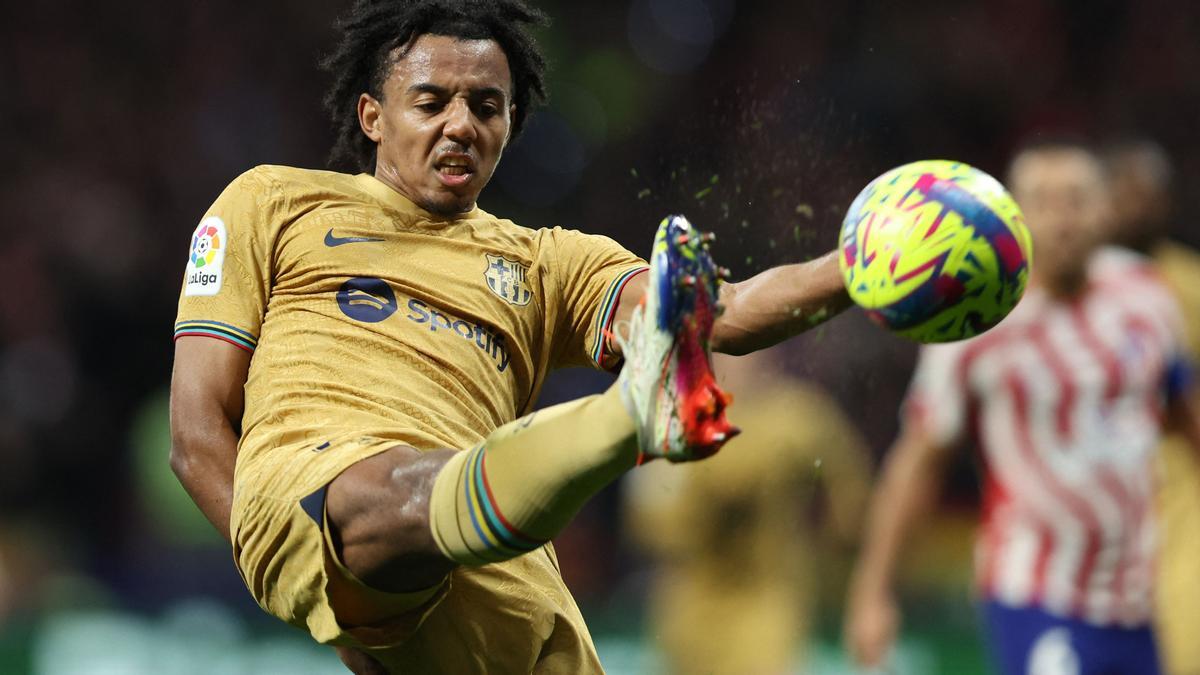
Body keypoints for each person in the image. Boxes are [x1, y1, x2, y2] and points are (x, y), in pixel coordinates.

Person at [168, 1, 849, 672]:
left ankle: (631, 408)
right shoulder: (274, 203)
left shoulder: (546, 263)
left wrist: (854, 266)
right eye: (431, 102)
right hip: (333, 494)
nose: (461, 124)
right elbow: (196, 435)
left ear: (510, 122)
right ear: (372, 116)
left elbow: (716, 314)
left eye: (486, 107)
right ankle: (628, 415)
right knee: (377, 485)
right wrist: (311, 588)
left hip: (503, 568)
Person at [844, 139, 1200, 675]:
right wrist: (873, 592)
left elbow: (1184, 415)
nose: (1063, 219)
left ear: (1105, 209)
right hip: (1035, 592)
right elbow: (920, 460)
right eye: (1045, 202)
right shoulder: (973, 321)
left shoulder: (1147, 295)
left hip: (1136, 599)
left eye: (1077, 200)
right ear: (1016, 214)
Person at [624, 350, 870, 675]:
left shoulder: (796, 416)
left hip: (767, 596)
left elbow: (851, 499)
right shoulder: (673, 420)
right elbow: (646, 525)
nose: (733, 362)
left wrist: (836, 558)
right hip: (690, 603)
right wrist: (706, 506)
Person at [1104, 139, 1200, 675]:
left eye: (1146, 195)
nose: (1133, 206)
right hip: (1098, 474)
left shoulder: (1189, 283)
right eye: (1122, 194)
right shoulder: (1073, 284)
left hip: (1180, 478)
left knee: (1184, 637)